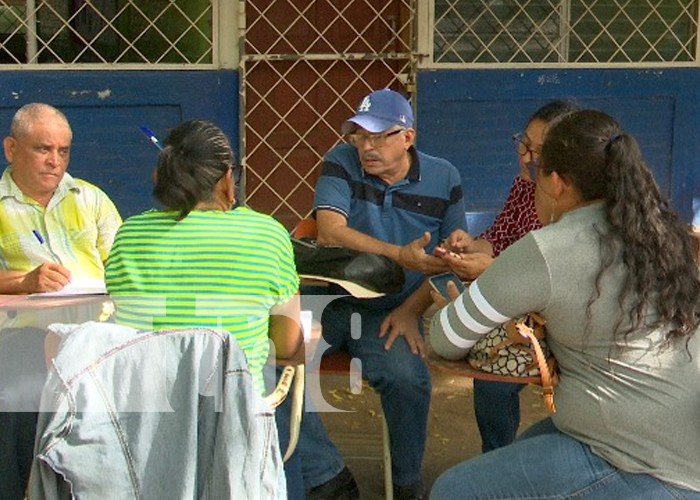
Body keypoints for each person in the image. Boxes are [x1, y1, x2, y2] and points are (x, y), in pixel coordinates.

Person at [429, 109, 700, 499]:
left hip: (639, 462)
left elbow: (446, 338)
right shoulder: (661, 233)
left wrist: (449, 310)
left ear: (557, 183)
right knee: (528, 445)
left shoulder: (547, 249)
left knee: (453, 490)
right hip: (674, 439)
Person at [287, 89, 467, 500]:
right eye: (359, 136)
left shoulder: (445, 177)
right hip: (323, 302)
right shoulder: (341, 160)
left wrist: (409, 311)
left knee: (408, 379)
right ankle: (327, 478)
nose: (365, 146)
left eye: (378, 136)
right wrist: (397, 255)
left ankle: (406, 488)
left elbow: (449, 258)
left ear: (407, 136)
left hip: (388, 311)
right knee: (271, 363)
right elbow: (330, 230)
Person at [105, 119, 304, 394]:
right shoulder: (268, 235)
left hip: (143, 421)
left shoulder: (129, 234)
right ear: (226, 178)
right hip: (233, 422)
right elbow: (286, 344)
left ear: (161, 176)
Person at [437, 100, 578, 452]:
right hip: (516, 318)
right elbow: (498, 239)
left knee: (498, 374)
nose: (528, 156)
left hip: (559, 325)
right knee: (492, 377)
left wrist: (493, 272)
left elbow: (554, 279)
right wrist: (470, 246)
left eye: (539, 151)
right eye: (524, 143)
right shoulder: (523, 188)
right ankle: (497, 455)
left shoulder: (574, 207)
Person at [0, 103, 122, 500]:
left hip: (94, 334)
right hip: (22, 338)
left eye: (63, 151)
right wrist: (24, 282)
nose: (55, 161)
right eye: (42, 149)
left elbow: (123, 267)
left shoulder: (91, 199)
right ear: (11, 149)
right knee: (18, 396)